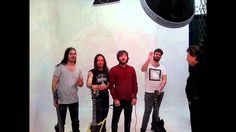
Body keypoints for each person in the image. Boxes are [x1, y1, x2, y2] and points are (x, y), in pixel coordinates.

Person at [51, 47, 84, 132]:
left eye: (74, 54)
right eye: (71, 54)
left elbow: (81, 84)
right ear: (67, 55)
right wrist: (55, 98)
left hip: (74, 100)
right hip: (62, 101)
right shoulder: (60, 67)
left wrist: (80, 83)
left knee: (75, 122)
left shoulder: (78, 69)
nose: (73, 55)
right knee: (61, 123)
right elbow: (54, 84)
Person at [109, 50, 138, 132]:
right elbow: (111, 86)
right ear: (118, 58)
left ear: (127, 57)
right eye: (121, 56)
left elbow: (134, 84)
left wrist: (134, 97)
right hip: (118, 100)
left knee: (128, 120)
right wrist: (115, 98)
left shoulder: (131, 69)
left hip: (129, 100)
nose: (123, 57)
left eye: (125, 55)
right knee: (115, 120)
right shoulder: (113, 70)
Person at [140, 48, 167, 132]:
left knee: (156, 111)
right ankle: (143, 129)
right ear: (154, 54)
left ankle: (154, 127)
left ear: (161, 56)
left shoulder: (162, 67)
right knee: (147, 111)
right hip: (149, 93)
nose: (158, 55)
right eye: (156, 54)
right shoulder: (148, 65)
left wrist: (159, 89)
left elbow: (164, 80)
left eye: (159, 55)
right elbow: (142, 69)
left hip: (159, 93)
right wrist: (148, 59)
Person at [86, 54, 110, 132]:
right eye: (98, 60)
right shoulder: (92, 72)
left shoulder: (107, 71)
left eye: (102, 60)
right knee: (97, 117)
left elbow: (110, 83)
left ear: (104, 61)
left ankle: (103, 130)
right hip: (97, 98)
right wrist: (94, 85)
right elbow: (88, 84)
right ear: (96, 62)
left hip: (106, 97)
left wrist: (106, 87)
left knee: (104, 117)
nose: (100, 62)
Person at [185, 45, 206, 132]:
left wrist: (194, 101)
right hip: (195, 105)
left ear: (195, 57)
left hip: (198, 107)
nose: (186, 59)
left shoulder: (198, 70)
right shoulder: (196, 69)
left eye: (188, 56)